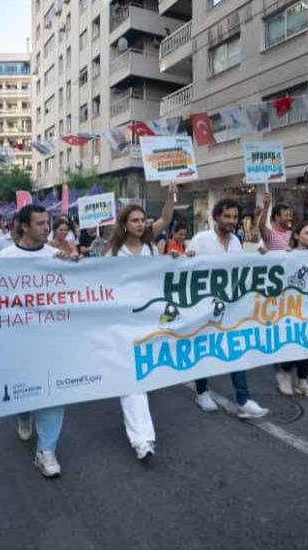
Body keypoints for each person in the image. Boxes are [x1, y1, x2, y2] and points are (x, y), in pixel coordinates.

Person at [0, 205, 80, 478]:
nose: (46, 228)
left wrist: (75, 265)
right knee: (24, 390)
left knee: (53, 390)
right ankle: (23, 415)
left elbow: (77, 289)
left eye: (48, 223)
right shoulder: (4, 259)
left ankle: (46, 450)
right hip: (18, 341)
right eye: (40, 224)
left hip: (52, 340)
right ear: (23, 226)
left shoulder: (57, 256)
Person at [103, 197, 182, 462]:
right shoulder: (112, 253)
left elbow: (167, 219)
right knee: (133, 379)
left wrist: (173, 259)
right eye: (134, 220)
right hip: (123, 321)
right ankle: (143, 440)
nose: (140, 224)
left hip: (149, 318)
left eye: (142, 220)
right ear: (124, 224)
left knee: (141, 376)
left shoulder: (150, 247)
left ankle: (139, 431)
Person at [186, 198, 269, 419]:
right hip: (204, 308)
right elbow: (183, 271)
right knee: (203, 349)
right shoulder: (200, 240)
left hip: (230, 307)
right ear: (217, 217)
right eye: (227, 216)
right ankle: (202, 392)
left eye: (235, 217)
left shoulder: (236, 242)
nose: (232, 221)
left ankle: (244, 399)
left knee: (235, 348)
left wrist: (260, 259)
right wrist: (186, 259)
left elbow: (239, 270)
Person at [275, 223, 308, 398]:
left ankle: (302, 381)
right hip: (291, 308)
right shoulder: (288, 254)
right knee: (293, 340)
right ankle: (285, 374)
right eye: (306, 233)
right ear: (296, 236)